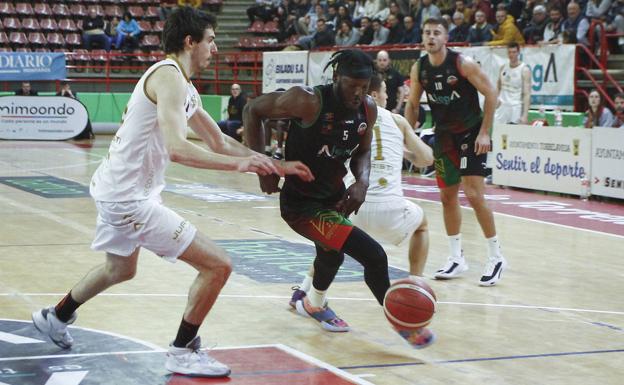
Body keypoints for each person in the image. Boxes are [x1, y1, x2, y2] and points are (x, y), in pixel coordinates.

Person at [31, 7, 312, 378]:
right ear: (189, 41)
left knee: (119, 269)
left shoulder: (182, 84)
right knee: (218, 265)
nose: (215, 49)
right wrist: (239, 166)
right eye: (210, 40)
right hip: (130, 198)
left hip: (118, 189)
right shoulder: (169, 77)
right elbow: (177, 148)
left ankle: (56, 316)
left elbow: (218, 141)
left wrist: (270, 162)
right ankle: (182, 350)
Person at [244, 49, 434, 348]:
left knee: (331, 254)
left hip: (333, 199)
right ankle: (401, 321)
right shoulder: (307, 101)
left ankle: (313, 302)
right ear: (335, 78)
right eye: (351, 86)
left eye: (364, 86)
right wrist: (261, 164)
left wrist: (362, 181)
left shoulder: (368, 109)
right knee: (374, 255)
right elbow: (253, 109)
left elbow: (362, 151)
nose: (358, 93)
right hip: (301, 205)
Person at [288, 73, 435, 343]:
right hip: (387, 209)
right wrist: (407, 152)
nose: (388, 98)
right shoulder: (396, 120)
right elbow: (427, 159)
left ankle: (307, 293)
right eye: (386, 95)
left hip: (349, 204)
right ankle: (415, 283)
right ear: (376, 95)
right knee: (422, 225)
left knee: (329, 245)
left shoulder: (345, 118)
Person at [405, 17, 507, 286]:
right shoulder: (420, 68)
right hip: (444, 136)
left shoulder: (463, 64)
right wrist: (407, 132)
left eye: (436, 33)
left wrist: (485, 132)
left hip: (472, 133)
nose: (431, 37)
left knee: (474, 194)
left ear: (446, 38)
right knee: (447, 197)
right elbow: (413, 104)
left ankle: (496, 257)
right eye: (427, 32)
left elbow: (492, 94)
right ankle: (455, 257)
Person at [494, 42, 531, 125]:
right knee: (498, 134)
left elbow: (527, 94)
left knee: (514, 135)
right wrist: (496, 99)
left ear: (518, 53)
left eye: (514, 52)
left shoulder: (524, 70)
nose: (511, 55)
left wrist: (525, 115)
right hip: (502, 107)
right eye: (509, 52)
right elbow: (498, 86)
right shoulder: (503, 67)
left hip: (516, 107)